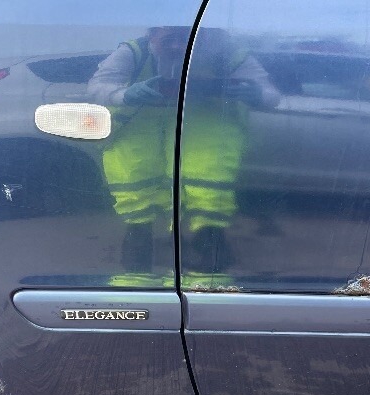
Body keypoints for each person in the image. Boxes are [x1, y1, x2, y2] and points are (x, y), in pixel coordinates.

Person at [88, 26, 279, 287]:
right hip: (139, 146)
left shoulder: (229, 55)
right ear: (152, 36)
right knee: (138, 213)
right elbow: (97, 87)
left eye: (188, 39)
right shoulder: (134, 52)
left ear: (205, 37)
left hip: (203, 141)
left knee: (208, 210)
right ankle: (137, 273)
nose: (178, 46)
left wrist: (256, 94)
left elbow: (271, 95)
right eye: (169, 39)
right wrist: (125, 94)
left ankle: (204, 275)